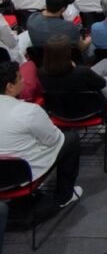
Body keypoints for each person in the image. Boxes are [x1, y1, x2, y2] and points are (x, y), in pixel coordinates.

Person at [0, 58, 83, 209]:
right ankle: (64, 196)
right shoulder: (28, 111)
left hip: (4, 175)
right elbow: (54, 140)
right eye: (20, 78)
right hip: (23, 172)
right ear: (10, 87)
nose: (24, 81)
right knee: (70, 139)